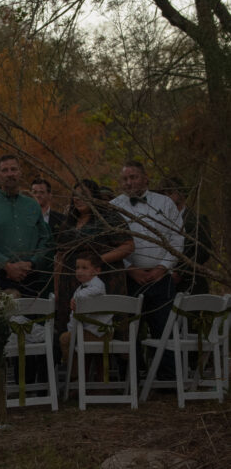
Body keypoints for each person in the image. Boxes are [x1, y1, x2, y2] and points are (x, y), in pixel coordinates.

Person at [111, 159, 184, 377]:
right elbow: (111, 243)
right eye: (125, 179)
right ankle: (131, 379)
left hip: (162, 277)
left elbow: (177, 238)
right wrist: (128, 268)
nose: (129, 182)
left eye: (133, 177)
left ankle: (168, 380)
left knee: (164, 327)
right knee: (128, 329)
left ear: (145, 179)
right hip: (130, 278)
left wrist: (163, 267)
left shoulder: (165, 203)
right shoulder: (114, 207)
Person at [54, 179, 134, 336]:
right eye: (75, 195)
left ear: (95, 196)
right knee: (70, 333)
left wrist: (98, 261)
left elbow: (128, 246)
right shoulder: (69, 222)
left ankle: (112, 360)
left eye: (84, 194)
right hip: (69, 284)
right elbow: (59, 257)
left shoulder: (109, 218)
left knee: (103, 329)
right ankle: (70, 359)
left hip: (104, 280)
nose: (78, 198)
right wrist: (57, 289)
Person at [0, 154, 51, 295]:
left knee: (33, 317)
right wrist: (6, 265)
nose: (10, 174)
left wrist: (31, 263)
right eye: (5, 170)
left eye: (13, 169)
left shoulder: (32, 205)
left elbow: (45, 239)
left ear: (20, 172)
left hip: (31, 278)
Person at [157, 176, 212, 294]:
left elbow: (203, 251)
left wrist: (180, 272)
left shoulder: (197, 220)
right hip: (162, 286)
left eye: (170, 192)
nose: (166, 196)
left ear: (182, 194)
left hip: (191, 285)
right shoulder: (158, 221)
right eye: (162, 193)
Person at [58, 250, 111, 371]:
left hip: (100, 332)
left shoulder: (97, 285)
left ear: (97, 271)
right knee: (68, 337)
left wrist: (77, 297)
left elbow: (96, 291)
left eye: (84, 268)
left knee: (65, 339)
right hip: (89, 331)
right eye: (77, 268)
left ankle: (73, 373)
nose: (79, 271)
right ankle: (76, 372)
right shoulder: (81, 288)